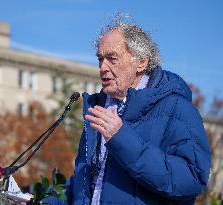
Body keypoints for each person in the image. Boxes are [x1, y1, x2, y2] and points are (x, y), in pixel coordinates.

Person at [44, 15, 211, 205]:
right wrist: (44, 201)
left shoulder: (177, 108)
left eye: (112, 59)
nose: (102, 67)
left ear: (141, 62)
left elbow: (192, 180)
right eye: (100, 59)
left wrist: (121, 138)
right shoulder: (98, 108)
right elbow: (90, 184)